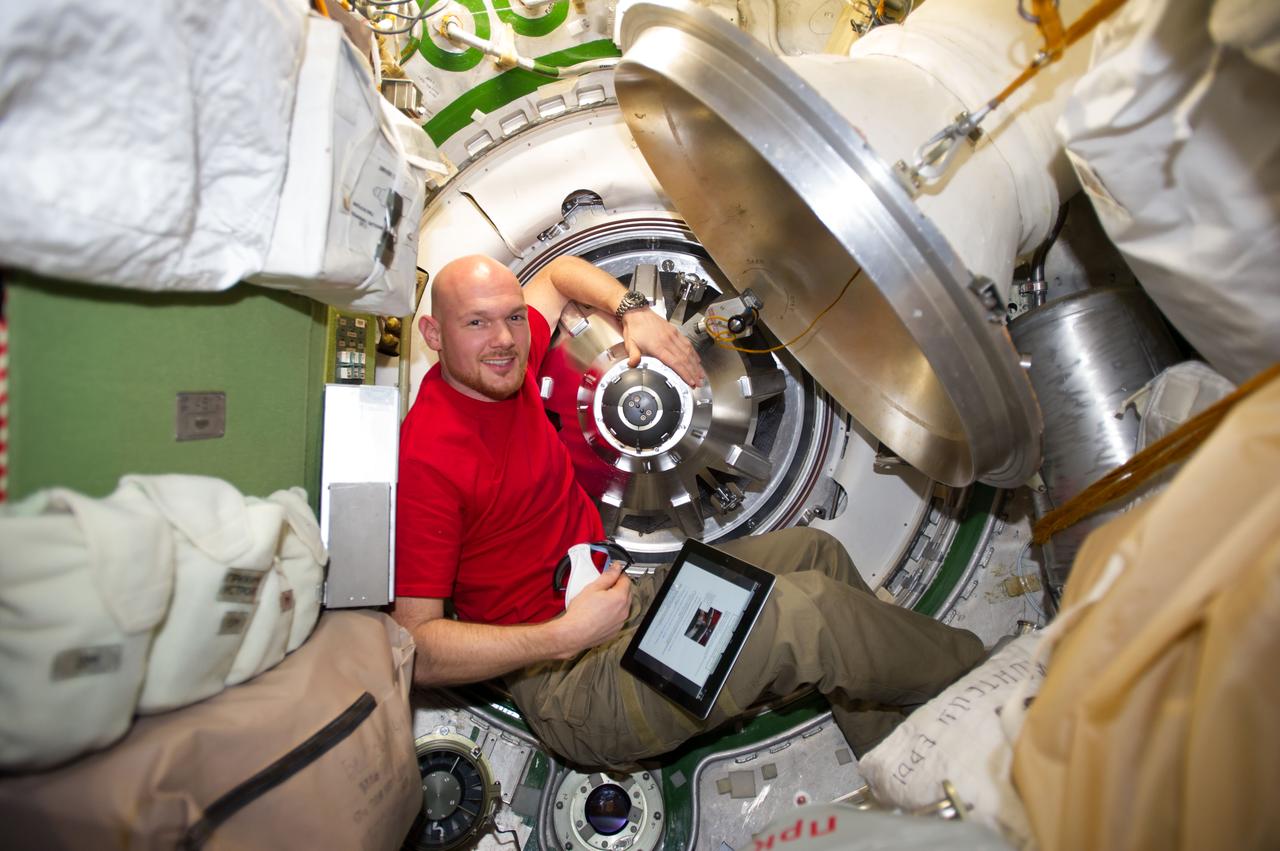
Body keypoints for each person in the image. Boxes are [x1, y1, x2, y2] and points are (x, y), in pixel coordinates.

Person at [392, 254, 984, 769]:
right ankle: (988, 682)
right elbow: (415, 650)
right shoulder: (429, 459)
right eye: (477, 322)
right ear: (433, 334)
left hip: (625, 604)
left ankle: (898, 757)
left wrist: (634, 312)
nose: (504, 338)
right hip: (575, 687)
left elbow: (557, 274)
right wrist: (559, 636)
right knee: (808, 617)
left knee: (816, 552)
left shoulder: (508, 371)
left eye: (513, 317)